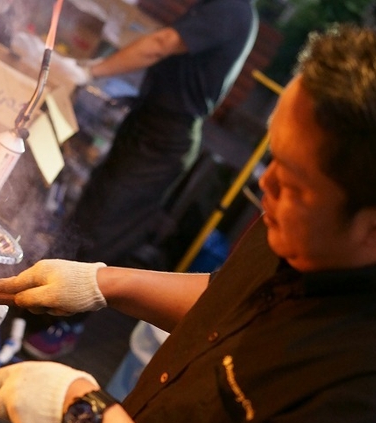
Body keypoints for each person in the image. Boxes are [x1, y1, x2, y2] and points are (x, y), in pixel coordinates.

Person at [0, 21, 376, 423]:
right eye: (272, 158)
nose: (266, 188)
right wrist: (103, 283)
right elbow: (234, 303)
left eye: (293, 183)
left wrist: (83, 412)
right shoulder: (311, 228)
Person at [22, 0, 259, 359]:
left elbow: (160, 43)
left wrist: (90, 71)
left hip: (164, 138)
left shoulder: (231, 7)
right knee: (90, 215)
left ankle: (58, 325)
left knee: (102, 230)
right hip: (148, 126)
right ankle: (37, 308)